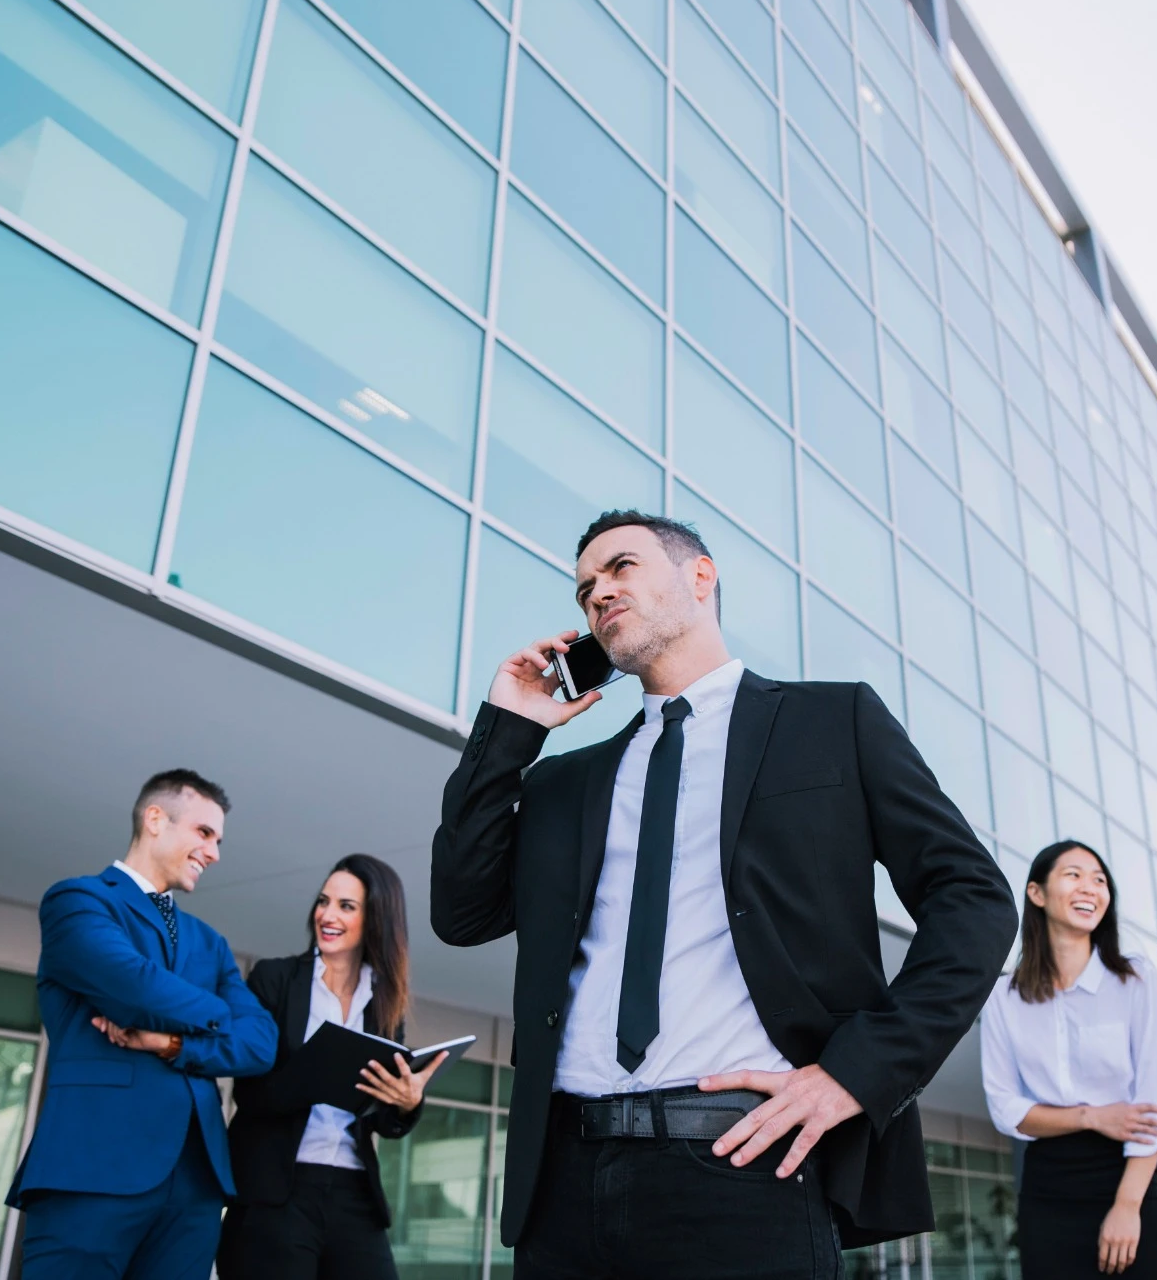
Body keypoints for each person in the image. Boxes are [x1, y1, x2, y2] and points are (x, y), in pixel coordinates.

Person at [432, 509, 1017, 1278]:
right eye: (584, 588)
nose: (598, 593)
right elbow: (463, 911)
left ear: (700, 575)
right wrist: (509, 730)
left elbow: (973, 898)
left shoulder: (832, 720)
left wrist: (860, 1071)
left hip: (744, 1170)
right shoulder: (565, 781)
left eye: (621, 567)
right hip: (565, 1188)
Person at [5, 769, 278, 1280]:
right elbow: (133, 987)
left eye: (218, 840)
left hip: (195, 1182)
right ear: (155, 819)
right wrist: (221, 1013)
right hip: (92, 1167)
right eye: (204, 832)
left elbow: (261, 1043)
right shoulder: (79, 901)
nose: (214, 852)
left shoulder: (210, 942)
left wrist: (173, 1043)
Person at [221, 854, 449, 1279]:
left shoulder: (384, 1004)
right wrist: (317, 1074)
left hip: (353, 1188)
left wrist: (405, 1102)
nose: (327, 915)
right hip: (278, 1189)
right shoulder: (275, 979)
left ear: (375, 919)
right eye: (324, 901)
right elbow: (249, 1094)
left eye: (346, 906)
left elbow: (380, 1121)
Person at [981, 839, 1157, 1279]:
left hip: (1129, 1178)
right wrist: (1092, 1116)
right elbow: (1006, 1109)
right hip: (1048, 1189)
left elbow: (1155, 1104)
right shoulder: (1003, 997)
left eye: (1100, 880)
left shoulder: (1136, 979)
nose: (1090, 887)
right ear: (1036, 893)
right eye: (1073, 875)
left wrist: (1127, 1206)